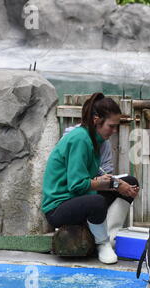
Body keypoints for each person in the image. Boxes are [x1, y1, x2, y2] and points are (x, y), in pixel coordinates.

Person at [41, 92, 139, 264]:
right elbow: (77, 185)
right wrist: (113, 184)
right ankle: (102, 243)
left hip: (76, 198)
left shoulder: (95, 140)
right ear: (96, 120)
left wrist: (117, 183)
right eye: (111, 126)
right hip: (58, 207)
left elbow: (95, 177)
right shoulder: (80, 139)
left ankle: (110, 235)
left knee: (130, 182)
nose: (115, 131)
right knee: (96, 203)